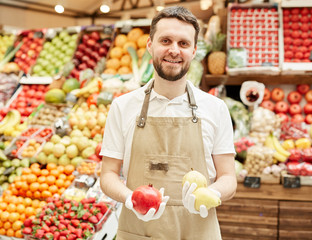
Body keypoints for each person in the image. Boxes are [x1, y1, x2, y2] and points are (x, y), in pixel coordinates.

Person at [100, 6, 237, 240]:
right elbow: (108, 175)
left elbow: (229, 179)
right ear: (150, 45)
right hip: (138, 232)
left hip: (198, 231)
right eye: (166, 40)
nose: (174, 50)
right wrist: (130, 199)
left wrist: (210, 194)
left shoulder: (216, 109)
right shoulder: (122, 107)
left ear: (194, 51)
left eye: (183, 43)